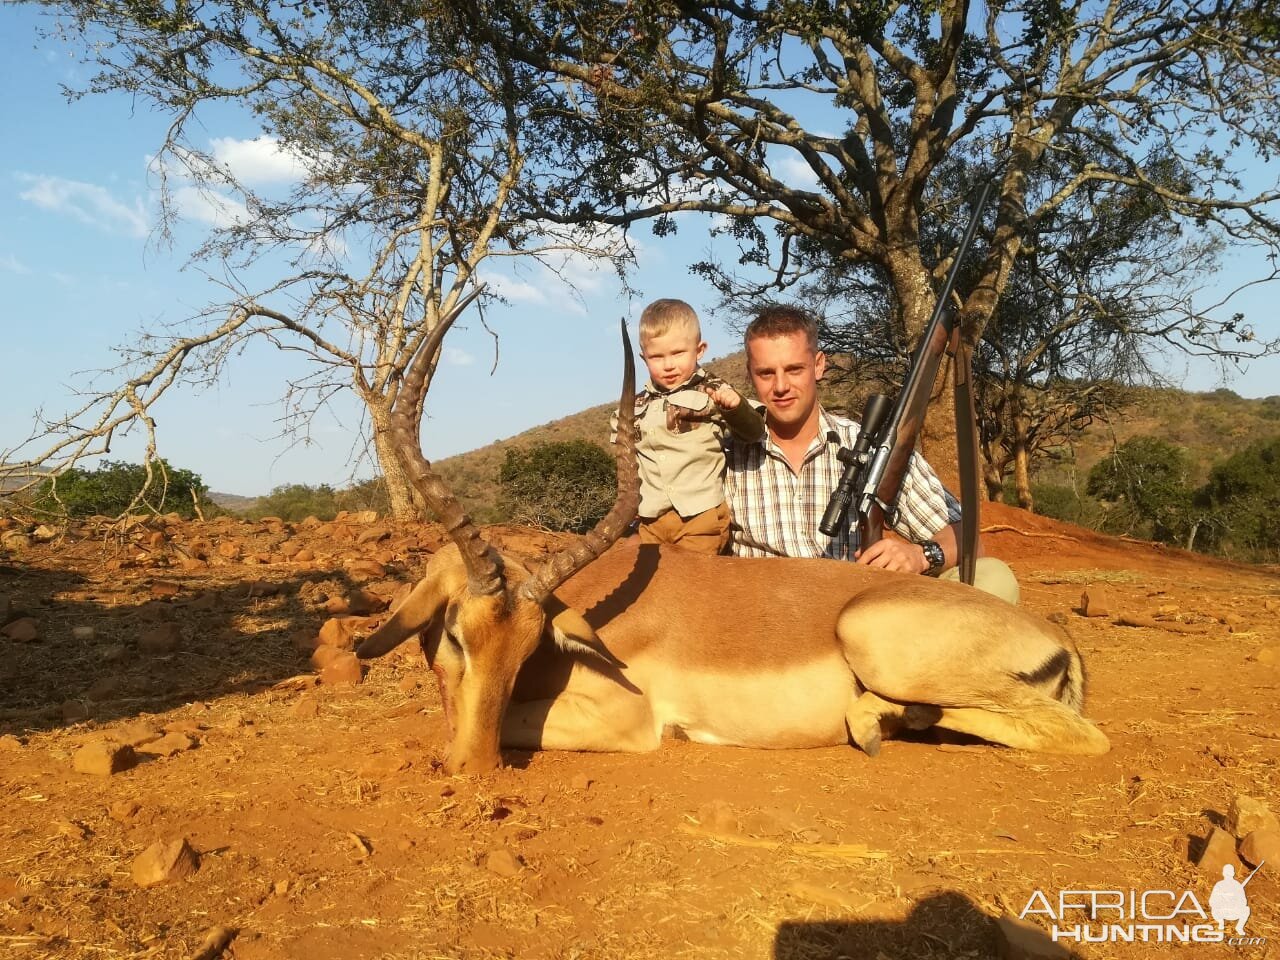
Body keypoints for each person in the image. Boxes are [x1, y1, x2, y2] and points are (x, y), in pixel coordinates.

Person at [723, 304, 1019, 603]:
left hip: (860, 617)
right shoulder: (723, 453)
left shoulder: (877, 449)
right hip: (766, 624)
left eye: (794, 369)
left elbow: (968, 539)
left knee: (993, 578)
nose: (781, 386)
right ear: (750, 375)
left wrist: (920, 555)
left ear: (819, 365)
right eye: (766, 373)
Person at [612, 298, 765, 554]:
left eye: (678, 353)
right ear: (643, 357)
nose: (668, 364)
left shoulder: (713, 389)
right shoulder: (634, 406)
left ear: (700, 349)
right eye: (657, 357)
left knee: (692, 585)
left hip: (699, 517)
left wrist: (735, 408)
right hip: (651, 521)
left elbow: (754, 432)